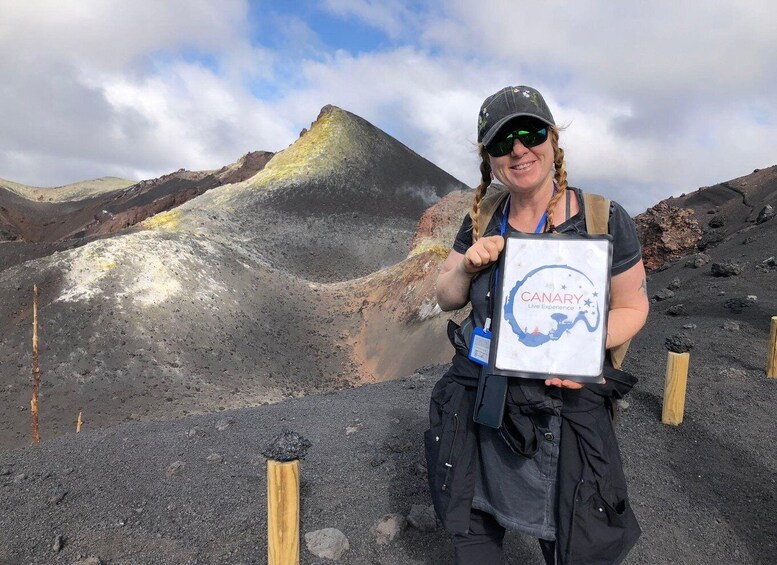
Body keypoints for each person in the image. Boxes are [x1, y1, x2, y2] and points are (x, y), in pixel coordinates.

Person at [425, 85, 649, 565]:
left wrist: (583, 350)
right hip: (479, 398)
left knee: (576, 539)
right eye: (503, 142)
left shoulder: (603, 217)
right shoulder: (482, 217)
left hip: (564, 405)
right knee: (473, 529)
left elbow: (632, 307)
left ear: (552, 140)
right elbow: (445, 297)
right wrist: (466, 266)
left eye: (530, 133)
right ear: (489, 158)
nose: (519, 149)